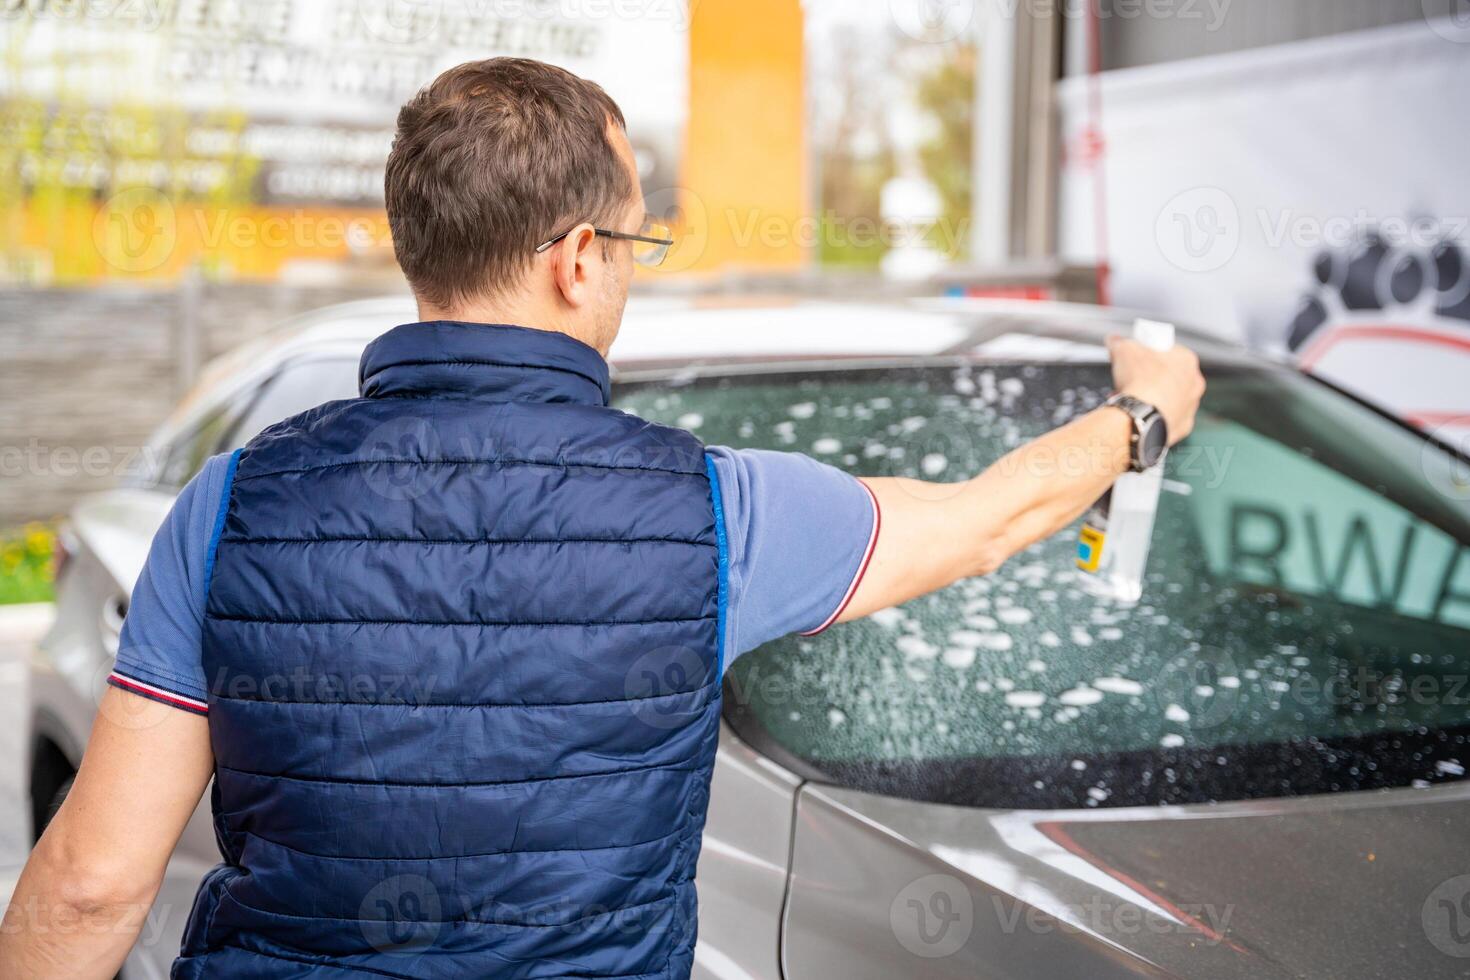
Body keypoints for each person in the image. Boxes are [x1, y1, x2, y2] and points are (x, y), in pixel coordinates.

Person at [0, 58, 1204, 978]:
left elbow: (94, 886)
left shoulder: (233, 502)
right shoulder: (721, 512)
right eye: (633, 239)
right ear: (580, 257)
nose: (630, 264)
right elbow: (988, 520)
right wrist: (1140, 417)